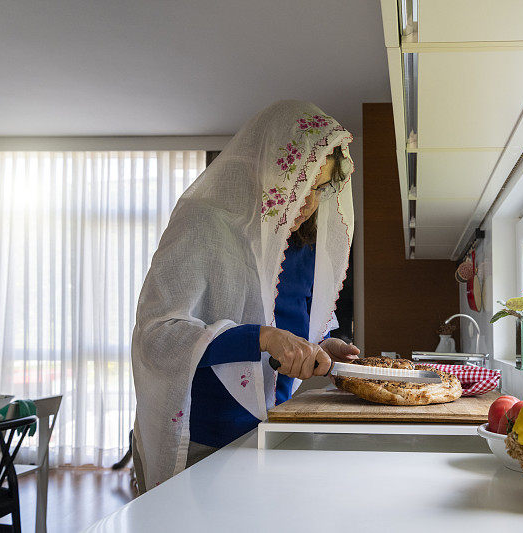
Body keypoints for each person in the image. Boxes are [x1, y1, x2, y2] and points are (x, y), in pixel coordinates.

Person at [131, 100, 358, 492]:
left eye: (319, 190)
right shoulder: (202, 222)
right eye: (301, 186)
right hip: (201, 442)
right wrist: (262, 337)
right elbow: (158, 335)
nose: (308, 204)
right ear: (270, 169)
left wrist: (317, 348)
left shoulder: (301, 245)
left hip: (272, 434)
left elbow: (278, 327)